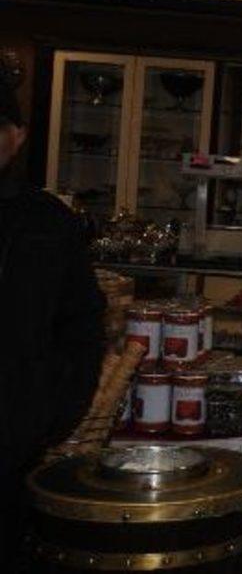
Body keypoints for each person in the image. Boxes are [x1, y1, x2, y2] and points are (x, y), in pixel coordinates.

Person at [0, 80, 106, 566]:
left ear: (18, 136)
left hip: (12, 444)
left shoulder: (47, 222)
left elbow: (82, 324)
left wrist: (49, 415)